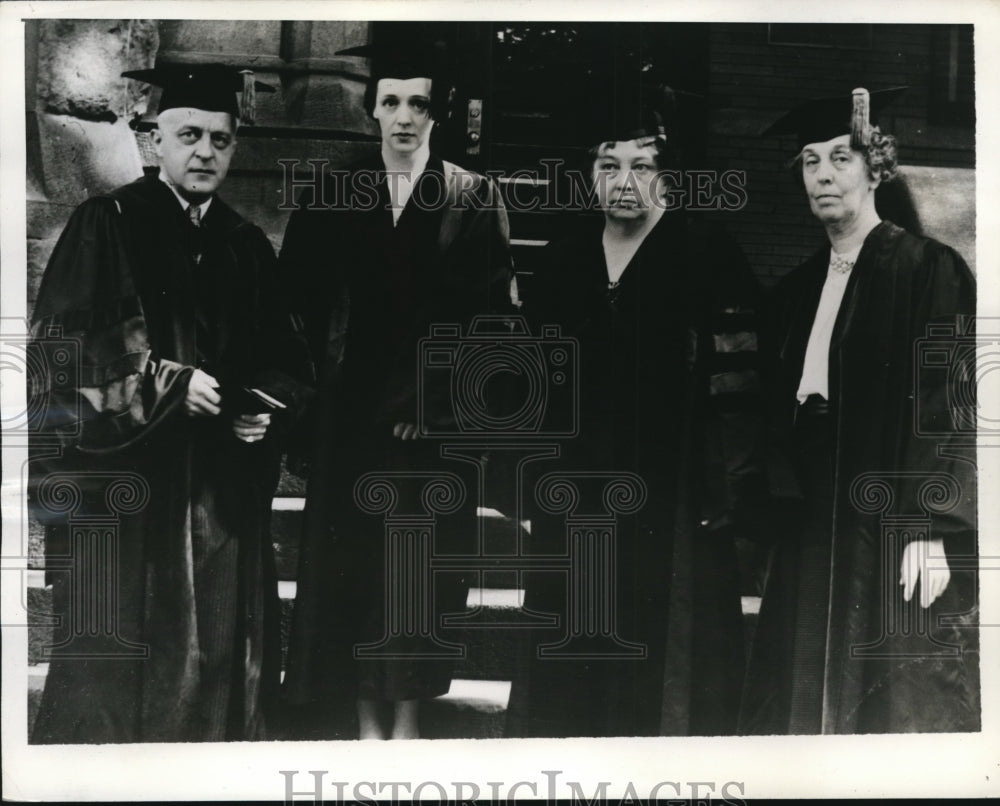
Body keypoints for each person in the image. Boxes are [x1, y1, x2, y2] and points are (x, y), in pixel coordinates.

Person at [28, 64, 313, 743]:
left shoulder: (244, 245)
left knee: (213, 664)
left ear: (235, 146)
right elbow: (64, 356)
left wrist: (263, 408)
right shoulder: (108, 223)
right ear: (155, 138)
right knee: (121, 672)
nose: (205, 151)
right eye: (190, 135)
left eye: (220, 138)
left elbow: (286, 357)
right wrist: (166, 384)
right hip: (131, 498)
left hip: (216, 501)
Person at [504, 84, 765, 737]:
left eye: (641, 165)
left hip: (674, 501)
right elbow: (533, 383)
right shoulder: (566, 258)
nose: (624, 182)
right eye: (608, 165)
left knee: (667, 666)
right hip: (578, 498)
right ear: (589, 173)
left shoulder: (708, 253)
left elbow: (741, 378)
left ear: (665, 174)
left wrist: (724, 485)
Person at [279, 38, 514, 740]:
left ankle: (408, 715)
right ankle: (361, 717)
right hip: (347, 422)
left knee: (416, 574)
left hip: (427, 427)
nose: (404, 117)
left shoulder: (472, 196)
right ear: (371, 110)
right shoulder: (333, 190)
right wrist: (310, 407)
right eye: (390, 103)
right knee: (351, 569)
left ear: (435, 113)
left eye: (418, 103)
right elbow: (298, 304)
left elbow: (492, 316)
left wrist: (431, 402)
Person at [740, 88, 980, 734]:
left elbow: (948, 403)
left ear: (876, 166)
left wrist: (929, 526)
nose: (822, 174)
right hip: (813, 519)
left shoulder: (930, 270)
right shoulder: (793, 293)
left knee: (896, 689)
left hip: (890, 514)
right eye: (810, 161)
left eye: (840, 157)